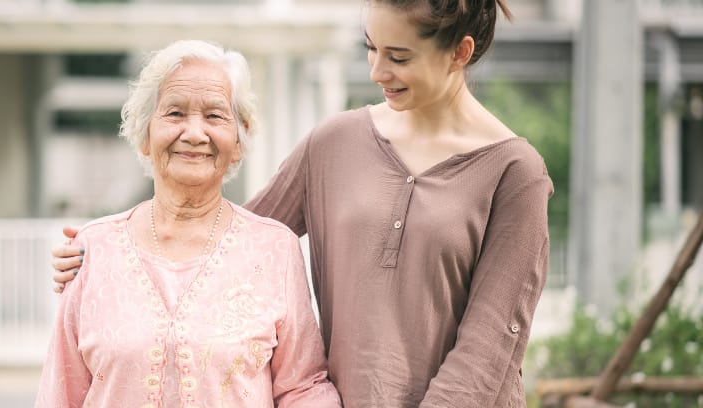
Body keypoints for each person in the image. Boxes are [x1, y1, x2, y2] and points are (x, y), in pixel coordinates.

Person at [53, 0, 553, 406]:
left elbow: (490, 347)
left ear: (460, 52)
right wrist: (112, 255)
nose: (377, 70)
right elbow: (231, 245)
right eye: (371, 48)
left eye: (398, 56)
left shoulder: (514, 174)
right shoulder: (334, 142)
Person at [35, 40, 341, 407]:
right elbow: (61, 391)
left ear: (238, 139)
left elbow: (303, 386)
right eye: (175, 114)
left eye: (214, 116)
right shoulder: (93, 250)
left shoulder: (275, 249)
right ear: (145, 133)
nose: (195, 133)